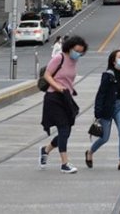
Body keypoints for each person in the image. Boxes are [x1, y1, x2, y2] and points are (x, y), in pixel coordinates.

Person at [39, 36, 86, 174]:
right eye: (76, 50)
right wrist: (57, 86)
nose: (78, 54)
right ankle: (64, 163)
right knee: (64, 129)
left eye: (81, 52)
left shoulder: (74, 61)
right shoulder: (59, 58)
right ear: (70, 47)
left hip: (66, 98)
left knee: (66, 131)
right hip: (54, 97)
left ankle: (45, 150)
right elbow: (47, 75)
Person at [87, 49, 120, 171]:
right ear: (113, 61)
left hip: (119, 108)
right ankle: (90, 152)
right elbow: (100, 94)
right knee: (104, 138)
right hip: (107, 108)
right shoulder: (108, 75)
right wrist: (97, 112)